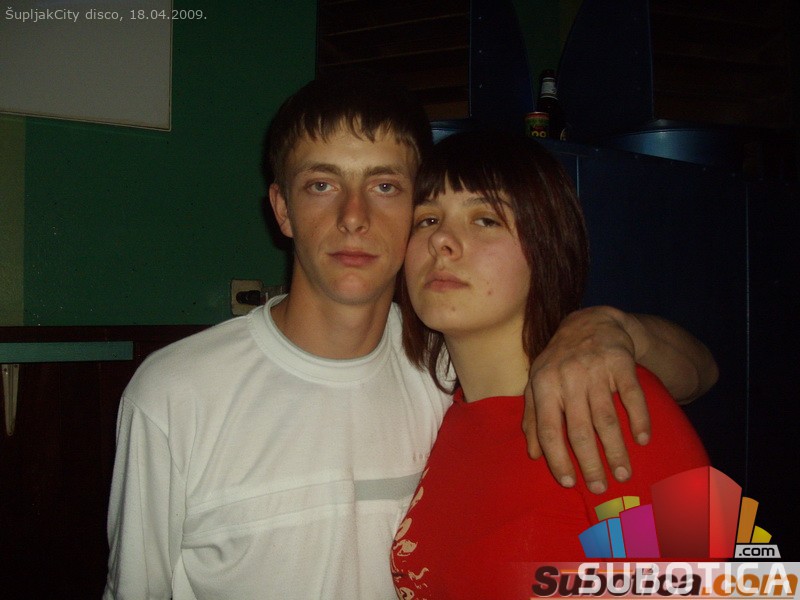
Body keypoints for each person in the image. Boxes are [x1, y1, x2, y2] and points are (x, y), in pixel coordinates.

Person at [104, 71, 716, 599]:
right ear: (282, 209)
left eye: (386, 187)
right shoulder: (446, 399)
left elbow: (719, 575)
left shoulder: (601, 401)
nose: (354, 216)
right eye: (321, 184)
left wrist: (614, 327)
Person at [391, 130, 712, 599]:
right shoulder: (441, 420)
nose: (441, 239)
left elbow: (700, 584)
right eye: (427, 219)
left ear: (546, 250)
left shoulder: (615, 406)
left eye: (485, 219)